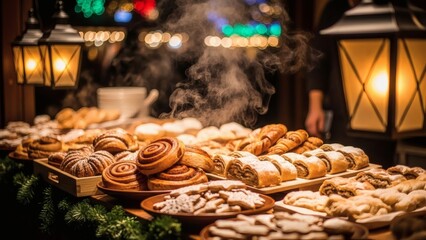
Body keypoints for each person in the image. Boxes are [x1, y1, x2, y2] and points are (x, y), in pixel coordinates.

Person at [304, 0, 396, 168]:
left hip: (383, 112)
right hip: (342, 112)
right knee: (343, 165)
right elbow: (318, 59)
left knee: (379, 168)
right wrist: (315, 106)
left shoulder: (388, 8)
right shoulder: (335, 8)